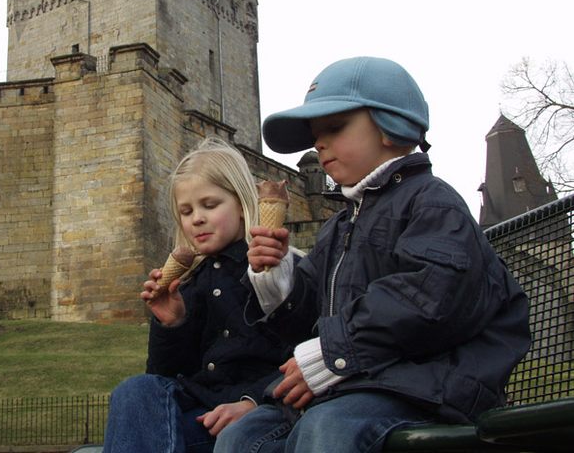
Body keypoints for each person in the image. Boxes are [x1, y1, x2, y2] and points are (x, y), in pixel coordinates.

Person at [214, 56, 531, 453]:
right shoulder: (340, 225)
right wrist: (276, 278)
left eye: (334, 127)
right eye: (316, 133)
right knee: (241, 436)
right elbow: (309, 315)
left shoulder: (432, 203)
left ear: (390, 125)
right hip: (359, 382)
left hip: (427, 389)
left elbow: (428, 297)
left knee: (329, 428)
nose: (319, 143)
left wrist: (333, 354)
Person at [102, 137, 291, 453]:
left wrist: (252, 401)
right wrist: (171, 323)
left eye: (210, 205)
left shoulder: (274, 268)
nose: (196, 219)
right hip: (201, 410)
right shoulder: (188, 283)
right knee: (136, 389)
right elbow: (166, 375)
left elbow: (300, 353)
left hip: (260, 414)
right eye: (186, 211)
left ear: (243, 207)